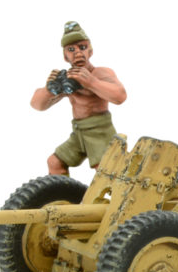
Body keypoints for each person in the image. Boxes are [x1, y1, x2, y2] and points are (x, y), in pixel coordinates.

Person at [30, 21, 127, 174]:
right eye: (71, 49)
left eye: (82, 47)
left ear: (90, 51)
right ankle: (61, 190)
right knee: (54, 162)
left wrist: (92, 82)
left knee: (106, 170)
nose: (77, 53)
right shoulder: (69, 78)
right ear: (65, 56)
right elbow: (37, 105)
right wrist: (49, 90)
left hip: (99, 132)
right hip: (78, 132)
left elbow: (120, 96)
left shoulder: (99, 73)